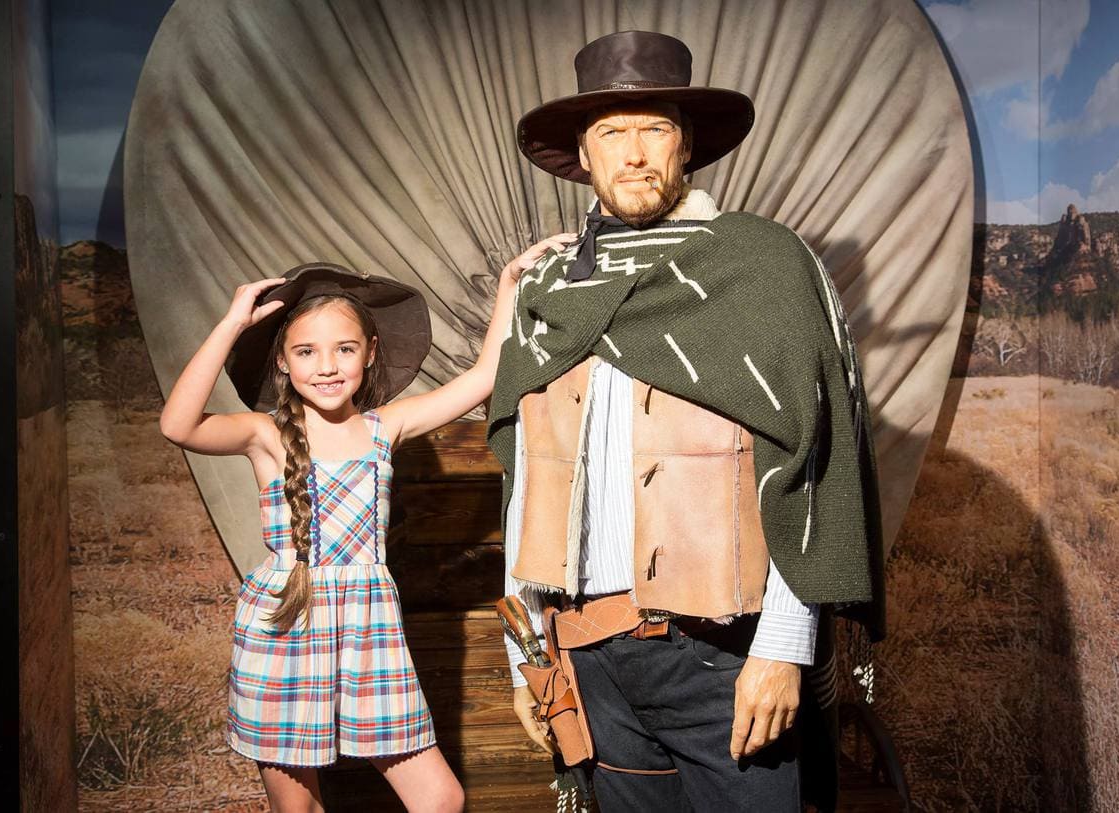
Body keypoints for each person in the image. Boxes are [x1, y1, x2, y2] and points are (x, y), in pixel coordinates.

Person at [490, 30, 885, 811]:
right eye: (611, 132)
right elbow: (528, 479)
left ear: (688, 144)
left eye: (653, 129)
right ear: (584, 152)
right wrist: (526, 660)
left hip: (722, 658)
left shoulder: (762, 267)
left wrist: (781, 647)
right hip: (589, 660)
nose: (634, 153)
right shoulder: (549, 297)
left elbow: (811, 459)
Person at [159, 239, 573, 812]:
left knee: (439, 798)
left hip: (369, 627)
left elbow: (484, 377)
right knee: (298, 807)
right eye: (305, 352)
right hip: (284, 623)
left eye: (344, 349)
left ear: (370, 353)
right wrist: (232, 324)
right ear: (282, 360)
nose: (326, 366)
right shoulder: (265, 436)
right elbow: (179, 425)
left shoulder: (385, 428)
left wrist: (508, 285)